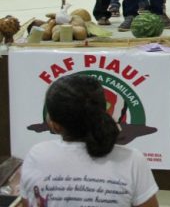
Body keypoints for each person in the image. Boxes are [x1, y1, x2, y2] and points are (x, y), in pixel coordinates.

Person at [20, 74, 159, 207]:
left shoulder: (37, 155)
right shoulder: (132, 160)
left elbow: (28, 203)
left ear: (54, 125)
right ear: (103, 112)